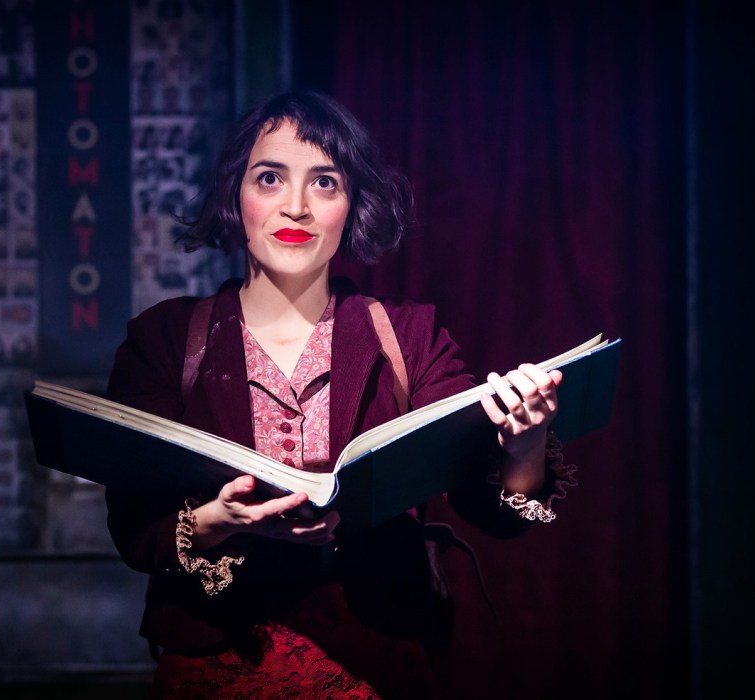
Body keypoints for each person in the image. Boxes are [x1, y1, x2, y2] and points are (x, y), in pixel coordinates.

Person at [104, 90, 577, 698]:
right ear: (234, 196)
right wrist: (218, 521)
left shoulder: (411, 337)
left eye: (325, 183)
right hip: (216, 668)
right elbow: (134, 528)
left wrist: (525, 446)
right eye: (270, 178)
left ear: (352, 206)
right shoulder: (166, 340)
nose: (296, 206)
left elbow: (490, 508)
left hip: (373, 666)